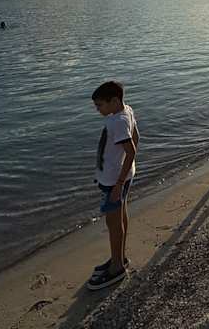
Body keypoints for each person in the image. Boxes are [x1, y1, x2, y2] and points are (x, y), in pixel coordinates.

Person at [88, 80, 138, 291]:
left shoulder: (117, 122)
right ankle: (119, 257)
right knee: (120, 217)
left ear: (114, 101)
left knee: (113, 223)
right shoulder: (126, 111)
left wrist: (118, 183)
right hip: (120, 177)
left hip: (114, 181)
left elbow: (131, 150)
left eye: (100, 105)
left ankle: (117, 267)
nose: (97, 109)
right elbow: (136, 137)